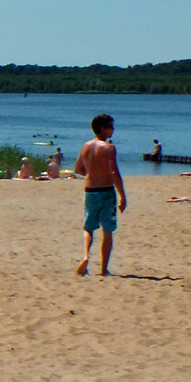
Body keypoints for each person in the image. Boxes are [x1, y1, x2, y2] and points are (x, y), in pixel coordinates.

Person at [74, 114, 125, 276]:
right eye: (111, 126)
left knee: (88, 227)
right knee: (107, 230)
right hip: (106, 191)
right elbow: (114, 172)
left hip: (90, 191)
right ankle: (103, 269)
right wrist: (122, 194)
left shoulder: (86, 146)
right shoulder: (109, 148)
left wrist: (92, 173)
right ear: (103, 129)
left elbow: (78, 169)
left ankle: (86, 256)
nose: (113, 129)